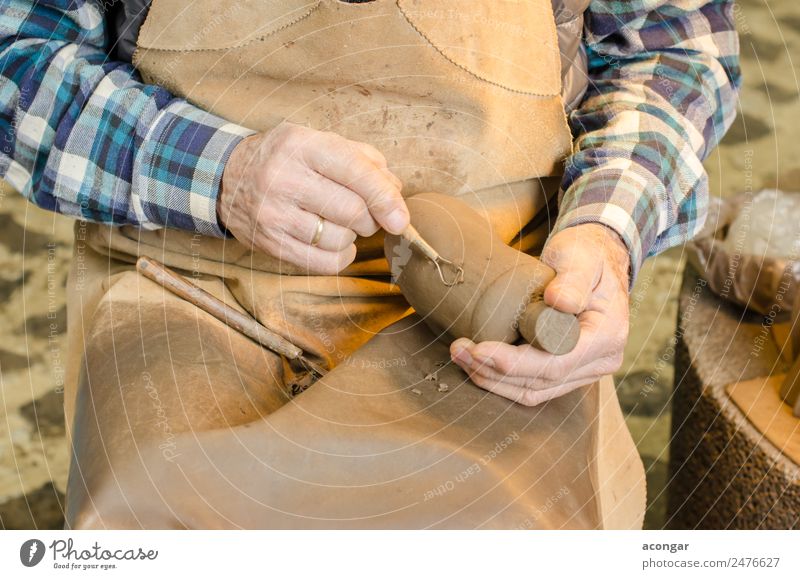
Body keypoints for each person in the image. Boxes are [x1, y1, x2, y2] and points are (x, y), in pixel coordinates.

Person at [0, 0, 740, 529]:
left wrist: (605, 232)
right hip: (191, 267)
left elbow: (672, 51)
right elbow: (17, 51)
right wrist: (220, 175)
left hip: (498, 280)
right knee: (167, 516)